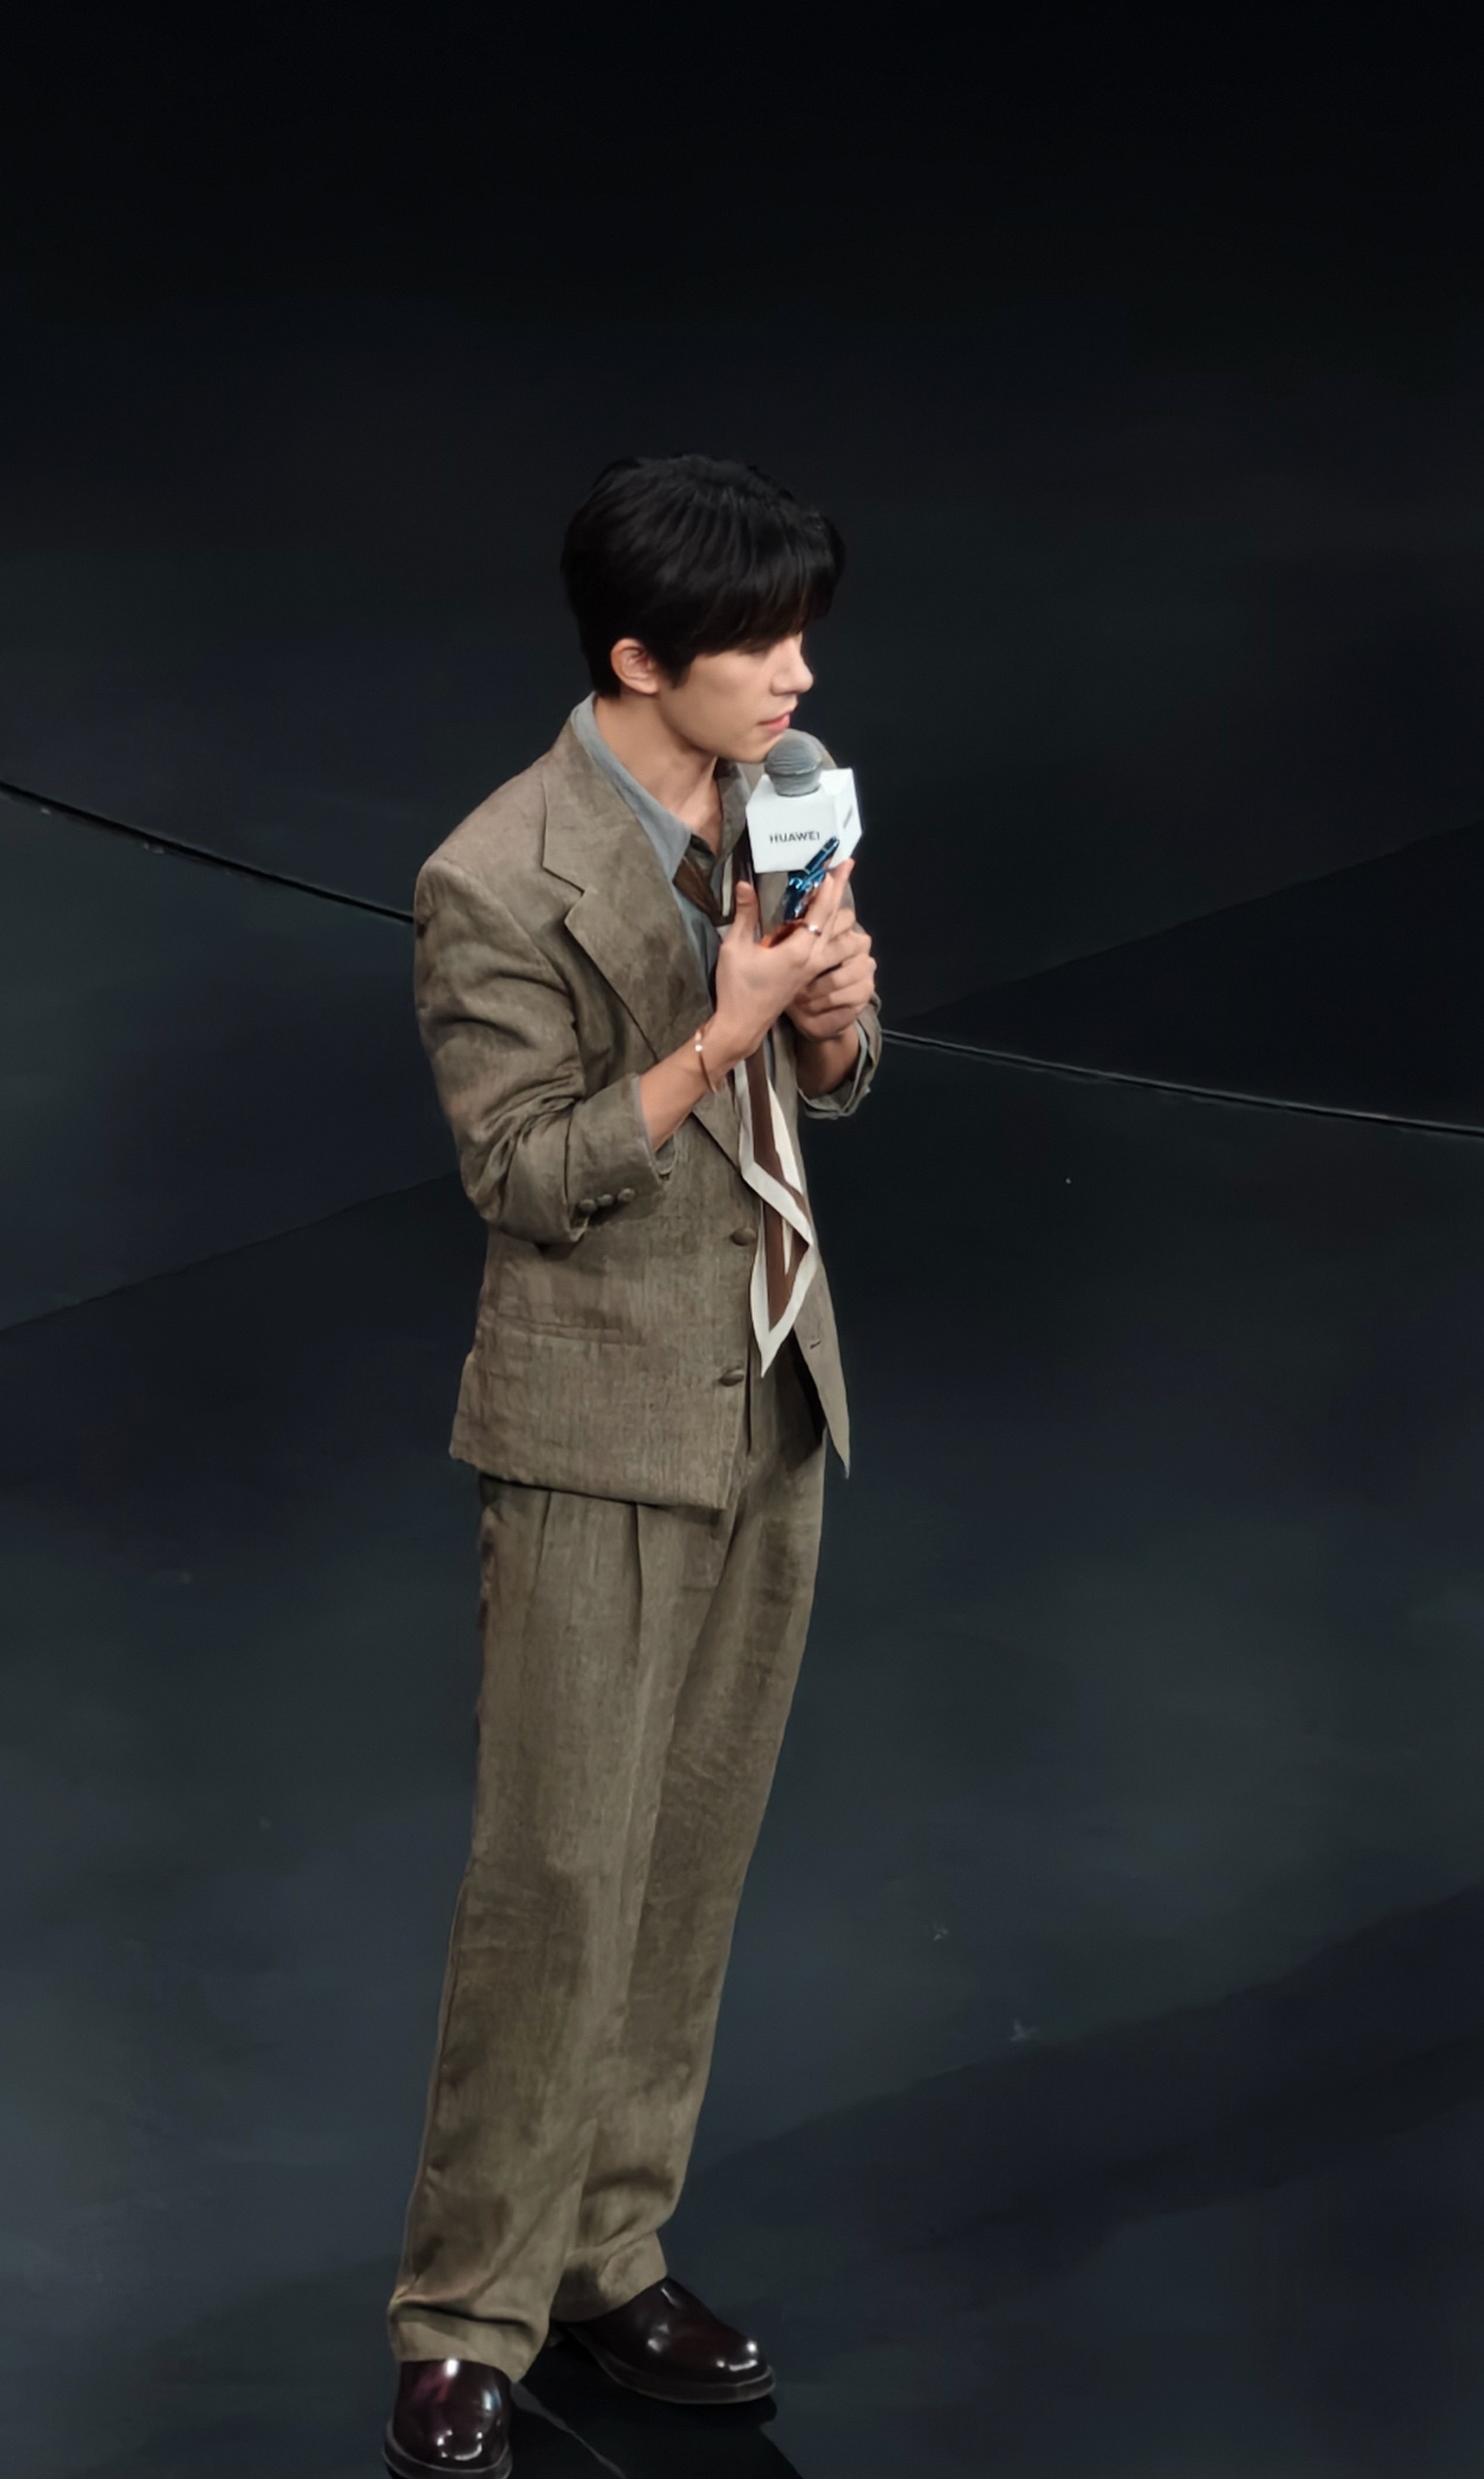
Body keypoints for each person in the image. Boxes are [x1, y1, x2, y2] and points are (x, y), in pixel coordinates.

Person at [383, 452, 882, 2479]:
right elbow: (522, 1177)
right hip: (594, 1418)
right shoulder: (496, 874)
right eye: (756, 645)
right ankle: (462, 2316)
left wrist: (830, 1024)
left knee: (687, 1867)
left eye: (799, 636)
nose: (794, 674)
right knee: (555, 1883)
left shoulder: (782, 796)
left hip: (768, 1382)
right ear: (635, 659)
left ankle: (609, 2250)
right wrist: (721, 1027)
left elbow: (836, 1079)